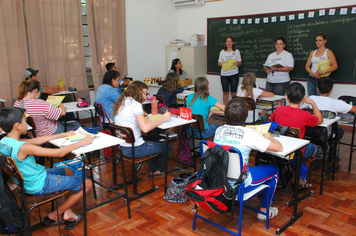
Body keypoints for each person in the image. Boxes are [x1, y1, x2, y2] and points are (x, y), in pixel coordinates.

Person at [0, 107, 93, 230]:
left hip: (27, 181)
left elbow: (36, 141)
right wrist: (84, 141)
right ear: (17, 125)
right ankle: (55, 214)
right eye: (25, 121)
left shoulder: (5, 141)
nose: (27, 124)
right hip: (39, 184)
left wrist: (62, 134)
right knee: (87, 183)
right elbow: (60, 153)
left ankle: (67, 212)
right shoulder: (23, 147)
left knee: (69, 171)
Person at [214, 97, 282, 222]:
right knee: (274, 169)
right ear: (245, 116)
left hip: (219, 179)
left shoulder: (219, 130)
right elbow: (278, 147)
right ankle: (264, 211)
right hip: (240, 183)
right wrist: (270, 137)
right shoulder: (249, 134)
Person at [270, 82, 323, 188]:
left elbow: (271, 121)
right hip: (296, 150)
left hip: (278, 146)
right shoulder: (305, 115)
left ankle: (293, 169)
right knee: (314, 148)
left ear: (287, 97)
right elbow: (320, 120)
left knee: (297, 154)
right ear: (303, 98)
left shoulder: (279, 109)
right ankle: (299, 178)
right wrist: (313, 103)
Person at [113, 81, 172, 176]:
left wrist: (144, 117)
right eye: (144, 93)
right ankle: (156, 171)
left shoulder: (123, 101)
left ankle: (153, 169)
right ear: (137, 92)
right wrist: (163, 118)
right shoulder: (136, 105)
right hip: (135, 149)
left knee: (153, 139)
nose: (145, 97)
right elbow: (145, 129)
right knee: (167, 147)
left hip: (122, 148)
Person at [14, 80, 79, 137]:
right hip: (47, 132)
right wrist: (59, 102)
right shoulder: (39, 103)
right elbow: (62, 112)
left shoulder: (17, 103)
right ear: (35, 91)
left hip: (31, 133)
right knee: (76, 124)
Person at [218, 36, 242, 105]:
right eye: (227, 41)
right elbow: (219, 63)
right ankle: (225, 108)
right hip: (224, 75)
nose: (229, 43)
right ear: (225, 43)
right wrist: (222, 63)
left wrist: (237, 63)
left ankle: (233, 107)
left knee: (233, 93)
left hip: (234, 74)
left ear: (233, 42)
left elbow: (240, 62)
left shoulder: (236, 51)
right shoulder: (222, 52)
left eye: (230, 41)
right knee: (225, 93)